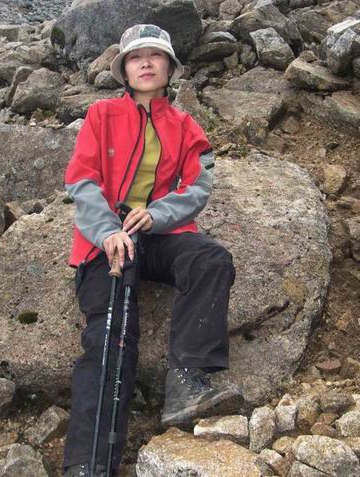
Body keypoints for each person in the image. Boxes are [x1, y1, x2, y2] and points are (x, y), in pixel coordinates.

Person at [62, 24, 242, 477]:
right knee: (111, 337)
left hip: (157, 234)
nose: (145, 62)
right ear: (124, 69)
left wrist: (157, 215)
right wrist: (107, 232)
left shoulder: (185, 126)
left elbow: (197, 186)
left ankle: (185, 382)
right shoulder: (101, 115)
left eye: (155, 55)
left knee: (210, 259)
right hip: (107, 242)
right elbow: (82, 180)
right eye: (135, 56)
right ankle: (87, 465)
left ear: (170, 68)